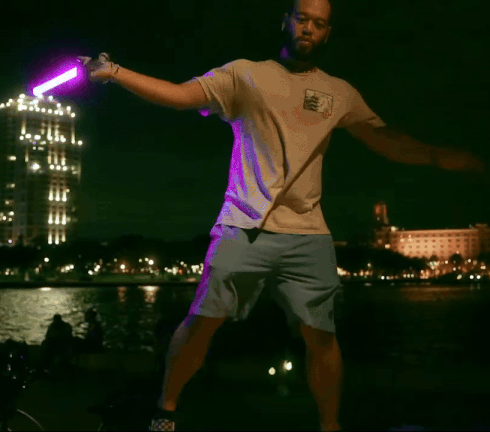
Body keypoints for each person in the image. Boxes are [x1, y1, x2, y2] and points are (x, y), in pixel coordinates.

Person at [78, 0, 486, 430]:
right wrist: (114, 72)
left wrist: (440, 157)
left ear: (328, 32)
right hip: (243, 225)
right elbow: (180, 95)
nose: (308, 28)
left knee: (322, 336)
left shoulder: (339, 92)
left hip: (309, 233)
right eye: (302, 18)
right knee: (202, 323)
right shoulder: (244, 75)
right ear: (286, 21)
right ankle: (165, 412)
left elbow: (384, 139)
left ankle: (330, 427)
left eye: (319, 23)